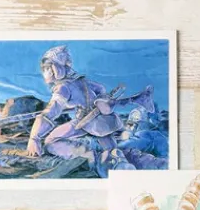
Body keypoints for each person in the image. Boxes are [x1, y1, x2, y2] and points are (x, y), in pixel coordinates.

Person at [26, 45, 156, 176]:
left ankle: (87, 155)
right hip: (103, 121)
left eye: (47, 68)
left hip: (85, 121)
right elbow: (100, 89)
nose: (45, 72)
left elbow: (50, 112)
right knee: (110, 148)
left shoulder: (62, 87)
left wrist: (34, 138)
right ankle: (117, 161)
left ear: (56, 68)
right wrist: (81, 103)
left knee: (51, 141)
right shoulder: (82, 81)